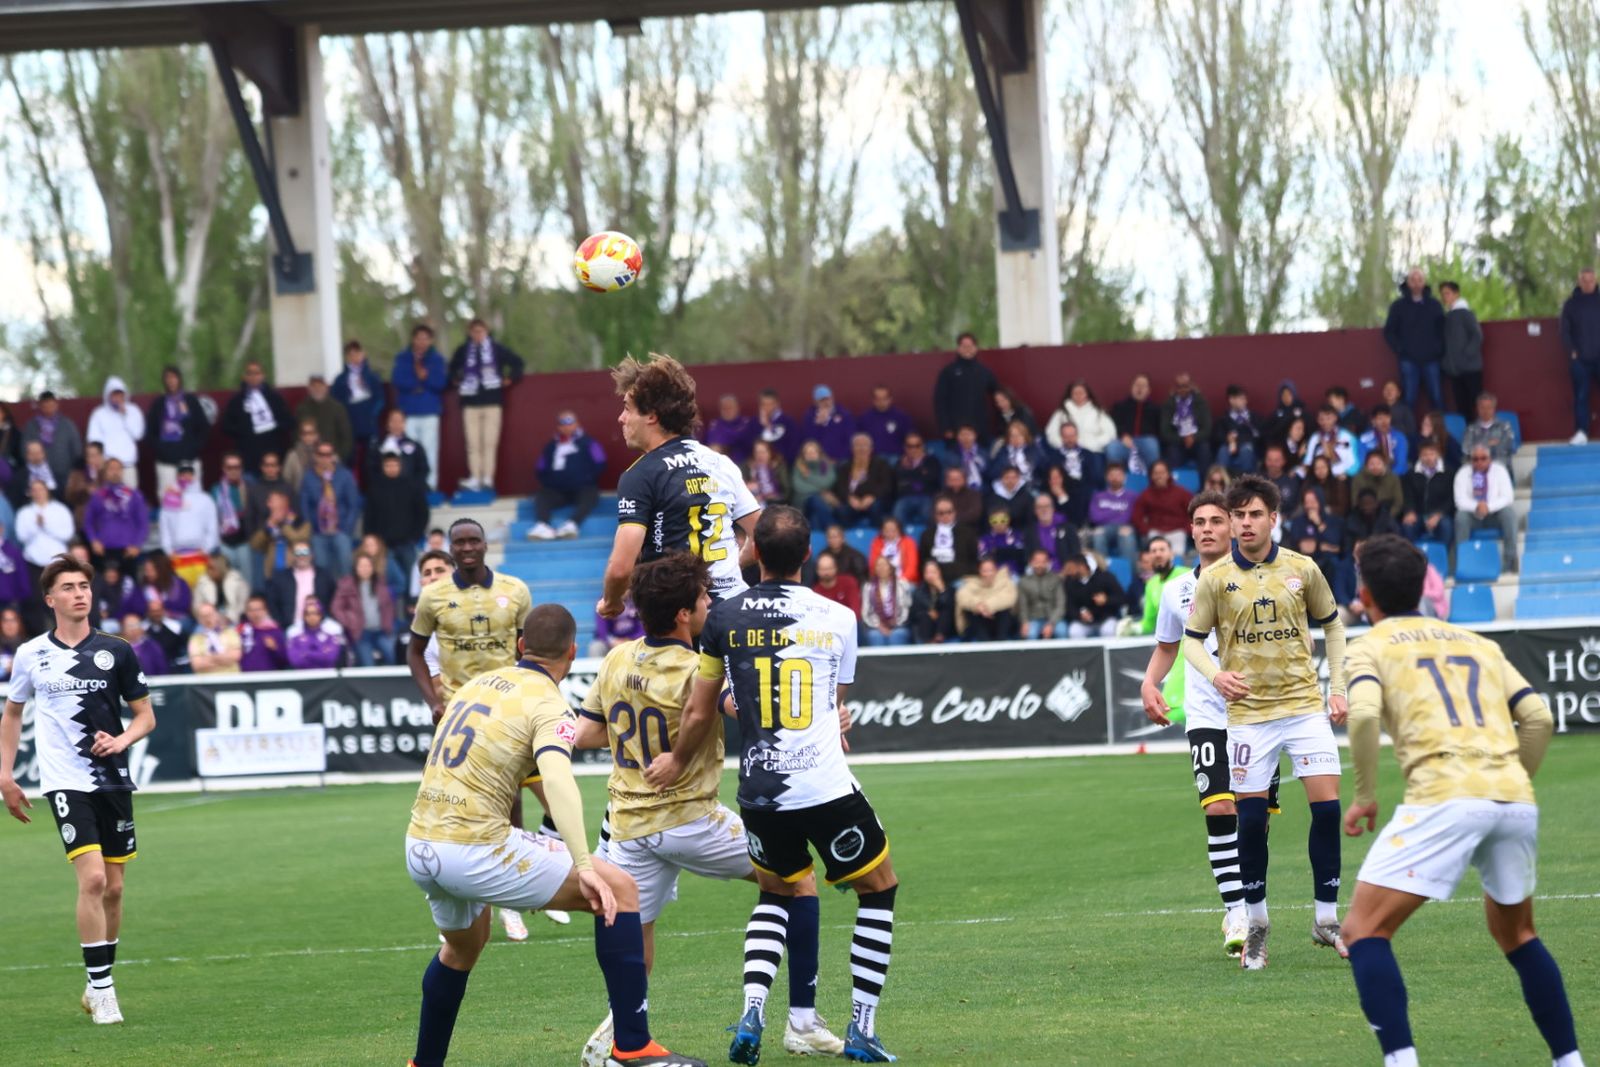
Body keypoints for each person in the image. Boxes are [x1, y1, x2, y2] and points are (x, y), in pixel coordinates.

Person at [403, 604, 705, 1067]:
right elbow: (558, 777)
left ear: (521, 646)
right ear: (572, 651)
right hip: (474, 848)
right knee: (620, 890)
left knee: (462, 947)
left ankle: (423, 1064)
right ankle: (633, 1046)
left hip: (420, 845)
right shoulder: (548, 702)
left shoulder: (478, 684)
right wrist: (585, 866)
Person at [647, 507, 898, 1063]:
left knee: (775, 892)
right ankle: (862, 1026)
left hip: (760, 791)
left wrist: (676, 758)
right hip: (825, 786)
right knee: (878, 887)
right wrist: (831, 721)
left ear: (754, 552)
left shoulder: (722, 619)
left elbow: (702, 707)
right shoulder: (839, 615)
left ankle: (754, 1011)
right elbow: (833, 700)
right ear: (808, 555)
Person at [575, 553, 839, 1064]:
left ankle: (616, 1035)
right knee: (798, 879)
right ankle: (802, 1022)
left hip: (628, 823)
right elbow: (741, 707)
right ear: (682, 614)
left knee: (635, 936)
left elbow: (585, 732)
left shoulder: (616, 659)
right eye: (702, 598)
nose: (709, 604)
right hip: (691, 819)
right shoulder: (699, 669)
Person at [1340, 534, 1581, 1067]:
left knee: (1362, 931)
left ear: (1364, 593)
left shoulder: (1370, 646)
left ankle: (1401, 1062)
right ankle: (1570, 1061)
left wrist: (1363, 797)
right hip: (1513, 796)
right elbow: (1538, 717)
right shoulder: (1479, 643)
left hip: (1444, 794)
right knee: (1518, 935)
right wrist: (1513, 779)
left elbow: (1360, 716)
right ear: (1423, 587)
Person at [1182, 474, 1349, 971]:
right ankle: (1256, 925)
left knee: (1327, 810)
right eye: (1238, 516)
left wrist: (1337, 688)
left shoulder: (1302, 568)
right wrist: (1217, 675)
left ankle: (1326, 917)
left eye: (1255, 514)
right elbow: (1192, 641)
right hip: (1249, 719)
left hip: (1302, 708)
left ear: (1273, 518)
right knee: (1250, 821)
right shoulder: (1214, 581)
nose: (1245, 523)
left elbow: (1334, 625)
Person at [0, 554, 156, 1026]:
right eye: (68, 587)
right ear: (50, 599)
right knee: (90, 880)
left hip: (113, 780)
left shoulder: (117, 650)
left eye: (84, 585)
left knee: (113, 888)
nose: (79, 593)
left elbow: (145, 715)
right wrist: (5, 776)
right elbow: (12, 715)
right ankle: (106, 993)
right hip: (66, 782)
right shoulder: (31, 654)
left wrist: (123, 738)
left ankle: (95, 982)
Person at [1140, 491, 1276, 957]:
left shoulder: (1258, 579)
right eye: (1199, 522)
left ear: (1233, 527)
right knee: (1219, 808)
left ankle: (1254, 907)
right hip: (1205, 717)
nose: (1206, 529)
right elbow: (1167, 645)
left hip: (1259, 716)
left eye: (1217, 520)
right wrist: (1149, 685)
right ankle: (1236, 910)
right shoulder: (1178, 589)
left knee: (1253, 820)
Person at [407, 518, 554, 939]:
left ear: (485, 544)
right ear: (451, 549)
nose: (468, 547)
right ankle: (454, 900)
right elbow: (415, 651)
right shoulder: (434, 597)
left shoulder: (515, 590)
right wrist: (434, 700)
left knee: (513, 800)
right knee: (451, 801)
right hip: (459, 715)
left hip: (507, 709)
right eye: (460, 542)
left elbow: (531, 648)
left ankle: (510, 899)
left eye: (474, 540)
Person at [600, 354, 761, 615]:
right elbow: (763, 534)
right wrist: (732, 568)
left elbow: (620, 569)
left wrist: (611, 602)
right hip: (735, 611)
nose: (621, 418)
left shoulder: (640, 475)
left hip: (681, 619)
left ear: (651, 416)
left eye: (628, 408)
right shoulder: (721, 463)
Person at [449, 317, 525, 493]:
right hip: (470, 401)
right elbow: (451, 369)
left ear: (486, 332)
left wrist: (510, 378)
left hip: (492, 401)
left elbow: (518, 363)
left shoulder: (496, 349)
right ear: (469, 333)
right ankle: (475, 477)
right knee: (472, 443)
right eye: (474, 331)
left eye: (481, 331)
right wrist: (457, 379)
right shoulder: (463, 350)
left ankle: (488, 478)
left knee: (489, 442)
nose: (477, 335)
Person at [392, 324, 449, 491]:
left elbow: (440, 383)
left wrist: (425, 378)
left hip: (429, 410)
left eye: (425, 338)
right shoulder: (403, 358)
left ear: (430, 340)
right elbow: (398, 380)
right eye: (419, 338)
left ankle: (430, 484)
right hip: (408, 411)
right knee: (408, 448)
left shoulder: (437, 359)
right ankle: (409, 483)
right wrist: (418, 381)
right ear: (413, 339)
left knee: (429, 448)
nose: (422, 342)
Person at [363, 452, 429, 583]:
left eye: (395, 465)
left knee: (411, 580)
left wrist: (415, 536)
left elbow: (423, 513)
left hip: (407, 543)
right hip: (383, 546)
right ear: (383, 467)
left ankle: (410, 604)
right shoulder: (375, 488)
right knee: (388, 581)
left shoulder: (412, 486)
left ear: (400, 466)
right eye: (388, 465)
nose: (392, 468)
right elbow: (369, 516)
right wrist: (371, 539)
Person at [299, 441, 360, 579]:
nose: (325, 458)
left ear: (333, 456)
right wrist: (311, 527)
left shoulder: (344, 475)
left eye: (328, 454)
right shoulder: (309, 477)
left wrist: (347, 529)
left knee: (345, 568)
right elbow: (304, 505)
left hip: (340, 530)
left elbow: (353, 504)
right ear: (315, 456)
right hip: (318, 532)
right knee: (322, 570)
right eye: (321, 454)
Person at [144, 365, 209, 495]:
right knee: (168, 500)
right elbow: (149, 433)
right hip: (166, 463)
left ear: (179, 379)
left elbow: (203, 428)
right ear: (164, 381)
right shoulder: (158, 404)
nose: (171, 381)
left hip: (189, 461)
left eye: (174, 377)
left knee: (192, 500)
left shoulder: (191, 401)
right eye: (168, 378)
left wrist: (193, 449)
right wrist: (162, 450)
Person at [220, 361, 292, 476]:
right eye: (250, 373)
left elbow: (288, 423)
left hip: (271, 459)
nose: (253, 377)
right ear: (244, 376)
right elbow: (226, 426)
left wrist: (273, 426)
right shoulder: (236, 401)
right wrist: (244, 430)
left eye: (257, 373)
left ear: (263, 375)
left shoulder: (275, 399)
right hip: (247, 458)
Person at [1454, 445, 1518, 573]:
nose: (1479, 462)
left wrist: (1488, 506)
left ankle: (1510, 561)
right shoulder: (1463, 473)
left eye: (1483, 458)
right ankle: (1463, 563)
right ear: (1471, 460)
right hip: (1473, 516)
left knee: (1509, 514)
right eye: (1475, 459)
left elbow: (1508, 497)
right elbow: (1459, 500)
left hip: (1494, 515)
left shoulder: (1500, 470)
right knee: (1460, 517)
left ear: (1490, 459)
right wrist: (1477, 506)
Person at [159, 463, 220, 589]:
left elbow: (212, 526)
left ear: (194, 477)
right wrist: (169, 551)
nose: (186, 478)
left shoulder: (205, 499)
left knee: (203, 592)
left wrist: (207, 548)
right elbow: (165, 529)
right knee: (181, 593)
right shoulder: (169, 500)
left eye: (189, 475)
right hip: (178, 557)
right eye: (182, 475)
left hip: (200, 555)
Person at [934, 331, 997, 447]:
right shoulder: (948, 372)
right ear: (958, 349)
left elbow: (998, 395)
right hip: (955, 432)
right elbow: (940, 401)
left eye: (970, 346)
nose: (967, 349)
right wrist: (946, 427)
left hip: (980, 432)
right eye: (964, 346)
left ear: (976, 348)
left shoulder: (984, 372)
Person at [331, 340, 385, 474]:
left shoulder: (372, 377)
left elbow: (380, 399)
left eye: (357, 353)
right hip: (350, 424)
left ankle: (370, 492)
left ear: (363, 354)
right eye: (350, 354)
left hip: (369, 423)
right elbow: (335, 402)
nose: (354, 357)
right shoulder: (340, 380)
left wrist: (372, 415)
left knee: (371, 460)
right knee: (349, 458)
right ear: (346, 357)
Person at [332, 553, 395, 667]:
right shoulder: (347, 585)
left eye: (368, 566)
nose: (365, 569)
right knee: (368, 664)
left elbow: (389, 606)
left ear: (372, 567)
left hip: (381, 631)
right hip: (361, 633)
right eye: (361, 566)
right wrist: (350, 622)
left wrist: (388, 624)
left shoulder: (380, 584)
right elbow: (336, 608)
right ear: (356, 568)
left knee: (392, 655)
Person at [83, 460, 148, 570]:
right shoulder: (98, 495)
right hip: (103, 550)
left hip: (128, 550)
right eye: (111, 469)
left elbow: (143, 523)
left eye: (118, 469)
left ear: (122, 471)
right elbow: (88, 521)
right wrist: (93, 541)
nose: (115, 472)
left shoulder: (134, 495)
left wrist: (137, 544)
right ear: (105, 472)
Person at [1560, 267, 1600, 444]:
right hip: (1580, 360)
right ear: (1579, 282)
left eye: (1591, 280)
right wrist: (1572, 352)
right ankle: (1582, 433)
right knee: (1581, 397)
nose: (1588, 283)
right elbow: (1564, 331)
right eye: (1584, 280)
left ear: (1595, 280)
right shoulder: (1571, 304)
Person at [86, 377, 144, 488]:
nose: (117, 398)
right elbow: (94, 440)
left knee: (129, 499)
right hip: (107, 467)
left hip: (128, 466)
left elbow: (138, 435)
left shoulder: (133, 410)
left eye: (120, 394)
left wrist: (125, 415)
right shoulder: (99, 414)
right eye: (114, 394)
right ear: (108, 395)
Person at [1438, 281, 1485, 415]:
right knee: (1462, 405)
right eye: (1442, 295)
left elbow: (1477, 336)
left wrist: (1465, 356)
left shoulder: (1465, 313)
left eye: (1447, 293)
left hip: (1470, 368)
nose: (1444, 297)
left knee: (1476, 403)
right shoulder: (1448, 316)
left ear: (1456, 294)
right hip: (1455, 370)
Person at [23, 391, 84, 494]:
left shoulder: (67, 424)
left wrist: (74, 471)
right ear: (40, 406)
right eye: (45, 406)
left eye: (51, 405)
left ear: (56, 404)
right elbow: (24, 450)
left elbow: (76, 449)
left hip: (64, 474)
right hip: (39, 476)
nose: (48, 409)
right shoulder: (31, 426)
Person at [266, 541, 335, 631]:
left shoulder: (324, 575)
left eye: (305, 552)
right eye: (298, 553)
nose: (301, 556)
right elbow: (272, 603)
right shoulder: (280, 577)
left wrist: (326, 617)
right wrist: (281, 623)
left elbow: (334, 598)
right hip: (290, 628)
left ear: (312, 554)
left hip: (321, 627)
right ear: (292, 556)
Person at [831, 432, 893, 528]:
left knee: (876, 507)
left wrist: (872, 496)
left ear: (871, 449)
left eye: (864, 445)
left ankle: (877, 537)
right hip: (853, 502)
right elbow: (840, 487)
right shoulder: (845, 466)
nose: (861, 449)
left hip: (873, 500)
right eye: (857, 445)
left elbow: (886, 485)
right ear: (852, 449)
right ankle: (848, 538)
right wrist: (849, 498)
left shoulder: (881, 464)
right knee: (842, 511)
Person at [1131, 460, 1192, 557]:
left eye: (1162, 473)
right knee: (1156, 556)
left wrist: (1186, 529)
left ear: (1168, 474)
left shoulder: (1182, 493)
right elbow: (1136, 517)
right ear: (1151, 476)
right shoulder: (1145, 495)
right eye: (1156, 473)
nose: (1159, 476)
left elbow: (1193, 512)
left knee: (1177, 558)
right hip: (1155, 532)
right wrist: (1147, 530)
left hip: (1177, 532)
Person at [1400, 440, 1455, 547]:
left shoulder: (1449, 473)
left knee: (1446, 526)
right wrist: (1409, 511)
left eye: (1432, 453)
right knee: (1407, 526)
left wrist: (1439, 514)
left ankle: (1442, 558)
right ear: (1419, 456)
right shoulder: (1411, 474)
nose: (1429, 457)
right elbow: (1407, 496)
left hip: (1440, 515)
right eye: (1425, 454)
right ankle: (1412, 559)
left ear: (1438, 454)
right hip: (1418, 514)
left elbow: (1451, 499)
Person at [1160, 372, 1213, 474]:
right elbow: (1165, 431)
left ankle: (1204, 486)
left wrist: (1193, 438)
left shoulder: (1201, 402)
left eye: (1185, 386)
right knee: (1172, 453)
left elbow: (1207, 428)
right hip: (1177, 441)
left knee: (1205, 450)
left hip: (1198, 440)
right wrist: (1183, 439)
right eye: (1179, 387)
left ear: (1191, 386)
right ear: (1175, 388)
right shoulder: (1169, 404)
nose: (1183, 389)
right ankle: (1175, 485)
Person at [955, 555, 1018, 641]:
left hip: (1000, 623)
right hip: (980, 623)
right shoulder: (971, 583)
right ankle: (984, 641)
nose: (988, 574)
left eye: (990, 570)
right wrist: (978, 606)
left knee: (1005, 611)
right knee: (971, 612)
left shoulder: (1005, 581)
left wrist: (988, 606)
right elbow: (962, 597)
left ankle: (1001, 642)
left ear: (996, 570)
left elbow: (1009, 598)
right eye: (985, 571)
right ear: (979, 571)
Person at [918, 495, 978, 584]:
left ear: (955, 512)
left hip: (961, 578)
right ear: (935, 515)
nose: (945, 516)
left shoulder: (968, 533)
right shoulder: (927, 535)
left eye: (949, 512)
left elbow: (973, 559)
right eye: (941, 513)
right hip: (934, 579)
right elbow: (923, 560)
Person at [1063, 553, 1123, 638]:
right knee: (1075, 631)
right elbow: (1069, 606)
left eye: (1071, 568)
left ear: (1081, 566)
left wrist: (1107, 600)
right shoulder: (1069, 582)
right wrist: (1079, 614)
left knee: (1108, 630)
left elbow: (1121, 598)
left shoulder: (1105, 577)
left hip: (1105, 619)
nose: (1068, 571)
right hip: (1083, 622)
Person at [368, 407, 432, 486]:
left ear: (405, 424)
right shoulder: (376, 446)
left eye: (400, 421)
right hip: (384, 489)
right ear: (387, 424)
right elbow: (371, 471)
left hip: (410, 489)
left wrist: (413, 486)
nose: (396, 425)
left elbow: (423, 470)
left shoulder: (416, 446)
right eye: (393, 421)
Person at [1087, 463, 1138, 560]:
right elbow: (1094, 517)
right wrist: (1117, 512)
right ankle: (1102, 572)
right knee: (1098, 535)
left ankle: (1130, 573)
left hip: (1125, 527)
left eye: (1118, 475)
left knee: (1127, 536)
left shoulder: (1132, 496)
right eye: (1112, 475)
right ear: (1106, 477)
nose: (1115, 478)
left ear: (1124, 477)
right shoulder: (1098, 496)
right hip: (1104, 528)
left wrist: (1105, 513)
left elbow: (1128, 517)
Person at [889, 433, 940, 528]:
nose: (913, 449)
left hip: (926, 497)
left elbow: (932, 479)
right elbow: (897, 481)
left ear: (923, 446)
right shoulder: (899, 463)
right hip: (905, 497)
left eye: (917, 446)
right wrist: (920, 473)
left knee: (931, 516)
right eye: (910, 446)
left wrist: (909, 474)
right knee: (897, 516)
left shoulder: (932, 461)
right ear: (905, 447)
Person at [861, 554, 913, 647]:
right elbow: (865, 612)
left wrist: (895, 624)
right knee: (875, 636)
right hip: (876, 626)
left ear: (890, 568)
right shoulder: (868, 587)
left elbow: (906, 609)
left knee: (897, 635)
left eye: (884, 565)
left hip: (899, 624)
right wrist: (879, 626)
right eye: (878, 565)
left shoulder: (902, 585)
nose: (881, 568)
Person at [1213, 384, 1265, 474]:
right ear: (1231, 400)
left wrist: (1237, 441)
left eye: (1245, 399)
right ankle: (1222, 481)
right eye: (1241, 399)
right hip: (1229, 449)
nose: (1245, 402)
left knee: (1246, 449)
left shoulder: (1254, 418)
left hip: (1249, 449)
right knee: (1223, 451)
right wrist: (1228, 439)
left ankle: (1246, 483)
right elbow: (1217, 437)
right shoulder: (1223, 419)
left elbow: (1260, 436)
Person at [1016, 549, 1065, 640]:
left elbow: (1060, 605)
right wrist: (1024, 622)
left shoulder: (1056, 579)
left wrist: (1051, 624)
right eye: (1037, 562)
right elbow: (1023, 606)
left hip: (1053, 618)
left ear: (1048, 563)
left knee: (1062, 631)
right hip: (1033, 619)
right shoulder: (1024, 582)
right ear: (1031, 562)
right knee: (1030, 634)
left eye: (1043, 562)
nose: (1040, 565)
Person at [285, 596, 345, 669]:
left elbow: (330, 659)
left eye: (315, 613)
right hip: (303, 676)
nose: (312, 617)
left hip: (327, 676)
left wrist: (305, 654)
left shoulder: (330, 635)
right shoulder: (295, 636)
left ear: (320, 615)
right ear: (304, 616)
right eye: (308, 614)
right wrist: (321, 654)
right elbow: (296, 661)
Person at [1135, 536, 1178, 636]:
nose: (1158, 554)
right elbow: (1149, 624)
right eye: (1153, 551)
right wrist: (1133, 628)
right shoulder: (1150, 584)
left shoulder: (1187, 575)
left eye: (1162, 550)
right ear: (1150, 557)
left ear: (1172, 554)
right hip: (1168, 647)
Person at [857, 384, 914, 460]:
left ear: (890, 399)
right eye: (878, 399)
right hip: (872, 459)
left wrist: (907, 457)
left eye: (885, 398)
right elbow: (858, 442)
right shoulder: (864, 418)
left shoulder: (901, 417)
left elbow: (911, 439)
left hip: (896, 457)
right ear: (873, 400)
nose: (881, 402)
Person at [1303, 404, 1360, 478]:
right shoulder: (1315, 437)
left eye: (1328, 418)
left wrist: (1346, 473)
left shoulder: (1347, 437)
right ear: (1317, 420)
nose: (1325, 422)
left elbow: (1354, 465)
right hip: (1319, 476)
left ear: (1335, 418)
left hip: (1342, 476)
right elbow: (1308, 461)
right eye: (1321, 419)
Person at [1461, 392, 1517, 466]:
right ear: (1477, 408)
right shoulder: (1471, 429)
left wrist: (1479, 447)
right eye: (1482, 407)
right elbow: (1466, 449)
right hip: (1478, 467)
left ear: (1494, 409)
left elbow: (1511, 447)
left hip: (1500, 467)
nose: (1485, 411)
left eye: (1489, 407)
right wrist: (1487, 443)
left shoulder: (1504, 427)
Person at [790, 441, 836, 531]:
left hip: (823, 505)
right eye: (807, 453)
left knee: (815, 517)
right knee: (814, 499)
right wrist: (821, 491)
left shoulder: (826, 465)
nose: (811, 455)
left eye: (813, 452)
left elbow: (828, 482)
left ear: (819, 453)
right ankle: (833, 529)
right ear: (803, 455)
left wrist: (808, 476)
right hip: (803, 503)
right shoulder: (799, 466)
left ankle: (819, 538)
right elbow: (799, 487)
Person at [187, 600, 242, 675]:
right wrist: (224, 659)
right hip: (206, 683)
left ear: (216, 615)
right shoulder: (195, 639)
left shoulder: (230, 633)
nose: (207, 619)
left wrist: (209, 658)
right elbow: (197, 665)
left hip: (230, 680)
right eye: (203, 616)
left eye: (209, 615)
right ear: (199, 620)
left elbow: (235, 656)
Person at [802, 385, 855, 463]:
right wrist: (818, 424)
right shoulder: (809, 417)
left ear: (832, 398)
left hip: (842, 459)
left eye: (828, 399)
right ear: (815, 402)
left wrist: (839, 458)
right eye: (822, 400)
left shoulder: (844, 414)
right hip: (819, 460)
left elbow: (850, 438)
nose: (826, 402)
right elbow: (809, 441)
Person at [238, 594, 289, 672]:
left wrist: (275, 648)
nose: (255, 613)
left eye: (258, 609)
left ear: (265, 611)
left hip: (268, 679)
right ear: (246, 612)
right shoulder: (240, 630)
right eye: (251, 610)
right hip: (244, 679)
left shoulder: (274, 631)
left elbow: (285, 660)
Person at [909, 559, 955, 644]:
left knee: (945, 613)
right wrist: (929, 612)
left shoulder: (949, 589)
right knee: (924, 616)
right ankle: (929, 643)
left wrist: (942, 590)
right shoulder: (919, 591)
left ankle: (939, 637)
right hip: (925, 626)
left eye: (933, 572)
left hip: (944, 626)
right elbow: (914, 613)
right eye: (927, 572)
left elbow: (950, 606)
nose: (930, 575)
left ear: (939, 572)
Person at [195, 552, 250, 623]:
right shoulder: (202, 582)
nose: (208, 571)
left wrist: (229, 617)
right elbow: (197, 605)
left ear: (221, 568)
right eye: (207, 568)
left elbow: (243, 605)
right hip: (208, 620)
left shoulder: (238, 581)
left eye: (212, 568)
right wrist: (209, 617)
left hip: (234, 619)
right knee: (196, 633)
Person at [1350, 451, 1405, 518]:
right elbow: (1355, 502)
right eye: (1372, 464)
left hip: (1387, 515)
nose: (1375, 467)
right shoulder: (1358, 478)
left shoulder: (1393, 478)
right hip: (1364, 516)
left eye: (1378, 463)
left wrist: (1387, 516)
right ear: (1366, 465)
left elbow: (1398, 502)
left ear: (1384, 464)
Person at [753, 388, 800, 464]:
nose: (767, 407)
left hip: (783, 465)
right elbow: (750, 444)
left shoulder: (788, 421)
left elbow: (793, 446)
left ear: (777, 404)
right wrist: (762, 426)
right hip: (759, 465)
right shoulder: (755, 422)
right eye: (764, 404)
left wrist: (780, 459)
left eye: (770, 404)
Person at [1358, 404, 1408, 474]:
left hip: (1395, 476)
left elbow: (1401, 463)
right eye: (1380, 418)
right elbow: (1362, 462)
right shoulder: (1365, 438)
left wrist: (1388, 477)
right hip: (1371, 475)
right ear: (1373, 421)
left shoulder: (1400, 437)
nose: (1384, 422)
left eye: (1387, 418)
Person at [706, 393, 755, 462]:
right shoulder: (715, 424)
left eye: (730, 408)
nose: (727, 411)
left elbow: (744, 440)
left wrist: (726, 442)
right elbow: (713, 442)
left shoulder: (745, 423)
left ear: (737, 408)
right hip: (721, 463)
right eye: (724, 408)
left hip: (742, 462)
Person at [740, 439, 789, 508]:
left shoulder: (779, 466)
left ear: (770, 452)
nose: (760, 455)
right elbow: (741, 487)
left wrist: (767, 496)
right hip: (753, 502)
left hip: (775, 502)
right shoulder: (747, 466)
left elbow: (786, 491)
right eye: (757, 452)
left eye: (763, 452)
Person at [977, 509, 1027, 576]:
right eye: (994, 521)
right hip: (992, 575)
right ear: (989, 521)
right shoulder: (985, 539)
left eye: (1003, 520)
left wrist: (996, 552)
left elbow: (1021, 556)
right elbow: (983, 558)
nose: (999, 524)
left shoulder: (1018, 536)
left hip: (1013, 574)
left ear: (1008, 520)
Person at [810, 553, 860, 617]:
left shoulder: (849, 582)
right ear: (817, 571)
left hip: (849, 622)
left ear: (836, 568)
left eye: (829, 568)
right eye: (823, 569)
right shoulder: (815, 592)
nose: (826, 572)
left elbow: (856, 611)